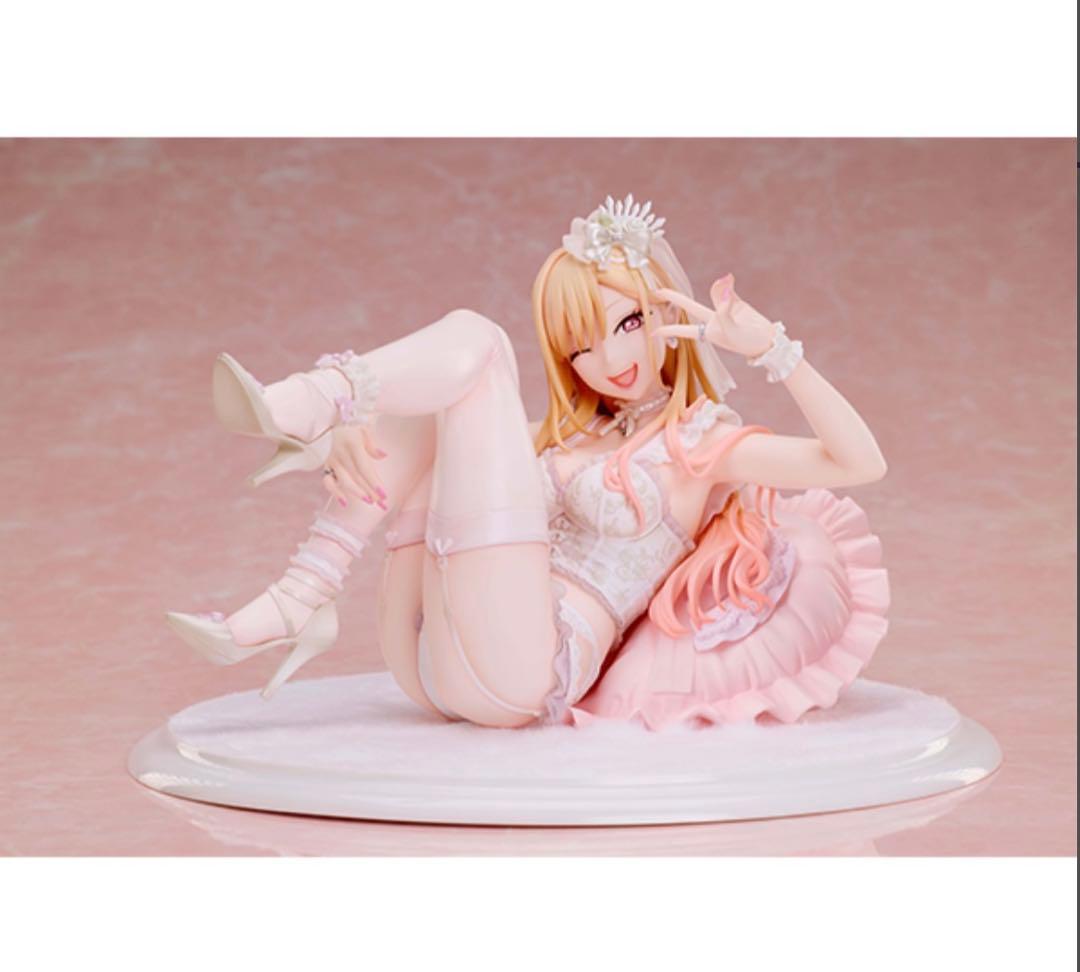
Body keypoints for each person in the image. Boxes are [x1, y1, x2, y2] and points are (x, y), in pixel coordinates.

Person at [167, 194, 890, 730]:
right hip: (431, 654)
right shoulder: (564, 433)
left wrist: (774, 351)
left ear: (667, 317)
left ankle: (308, 401)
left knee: (479, 343)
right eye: (581, 345)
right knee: (439, 398)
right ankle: (305, 586)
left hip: (525, 672)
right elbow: (430, 432)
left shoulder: (698, 441)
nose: (610, 359)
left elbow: (858, 462)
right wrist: (359, 431)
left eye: (628, 323)